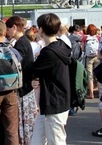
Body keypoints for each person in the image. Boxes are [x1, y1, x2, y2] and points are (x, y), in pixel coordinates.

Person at [29, 13, 71, 145]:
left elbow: (32, 70)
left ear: (41, 30)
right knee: (37, 141)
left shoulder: (49, 52)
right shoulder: (61, 45)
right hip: (54, 101)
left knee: (56, 141)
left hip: (53, 102)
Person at [6, 16, 36, 145]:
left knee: (24, 121)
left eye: (8, 28)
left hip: (24, 87)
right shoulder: (23, 41)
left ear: (14, 27)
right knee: (26, 121)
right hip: (27, 86)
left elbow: (16, 65)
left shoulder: (21, 43)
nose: (6, 32)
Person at [84, 24, 100, 99]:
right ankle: (100, 93)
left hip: (89, 58)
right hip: (97, 56)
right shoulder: (98, 37)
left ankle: (91, 94)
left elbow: (83, 48)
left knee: (90, 76)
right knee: (98, 75)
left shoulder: (85, 38)